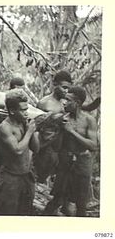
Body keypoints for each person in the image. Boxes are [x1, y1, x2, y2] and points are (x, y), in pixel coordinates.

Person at [43, 86, 98, 217]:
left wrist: (71, 131)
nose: (64, 102)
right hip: (65, 163)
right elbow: (56, 146)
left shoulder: (88, 120)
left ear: (77, 102)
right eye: (64, 99)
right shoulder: (63, 118)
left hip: (82, 164)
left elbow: (92, 145)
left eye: (68, 100)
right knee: (56, 199)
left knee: (81, 204)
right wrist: (59, 129)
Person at [0, 89, 40, 215]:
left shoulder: (23, 123)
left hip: (26, 175)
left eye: (27, 109)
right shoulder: (5, 127)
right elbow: (17, 150)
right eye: (22, 110)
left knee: (25, 210)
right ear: (12, 111)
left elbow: (36, 148)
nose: (26, 113)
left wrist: (32, 130)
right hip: (11, 177)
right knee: (9, 212)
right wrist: (30, 132)